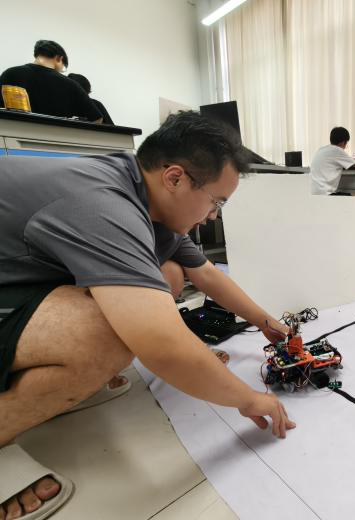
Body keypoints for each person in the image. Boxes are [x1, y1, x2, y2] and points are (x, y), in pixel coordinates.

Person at [0, 111, 295, 519]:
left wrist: (264, 321)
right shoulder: (105, 206)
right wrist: (247, 398)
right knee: (105, 338)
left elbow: (206, 274)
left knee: (168, 274)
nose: (214, 215)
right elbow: (160, 344)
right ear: (175, 178)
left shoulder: (146, 198)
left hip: (17, 276)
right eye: (216, 202)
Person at [0, 40, 102, 122]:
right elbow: (97, 118)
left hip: (11, 138)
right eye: (62, 68)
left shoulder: (10, 74)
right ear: (59, 58)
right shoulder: (70, 84)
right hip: (56, 140)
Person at [309, 126, 355, 195]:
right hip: (326, 194)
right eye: (346, 143)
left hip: (313, 194)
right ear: (343, 142)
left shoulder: (321, 149)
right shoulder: (338, 150)